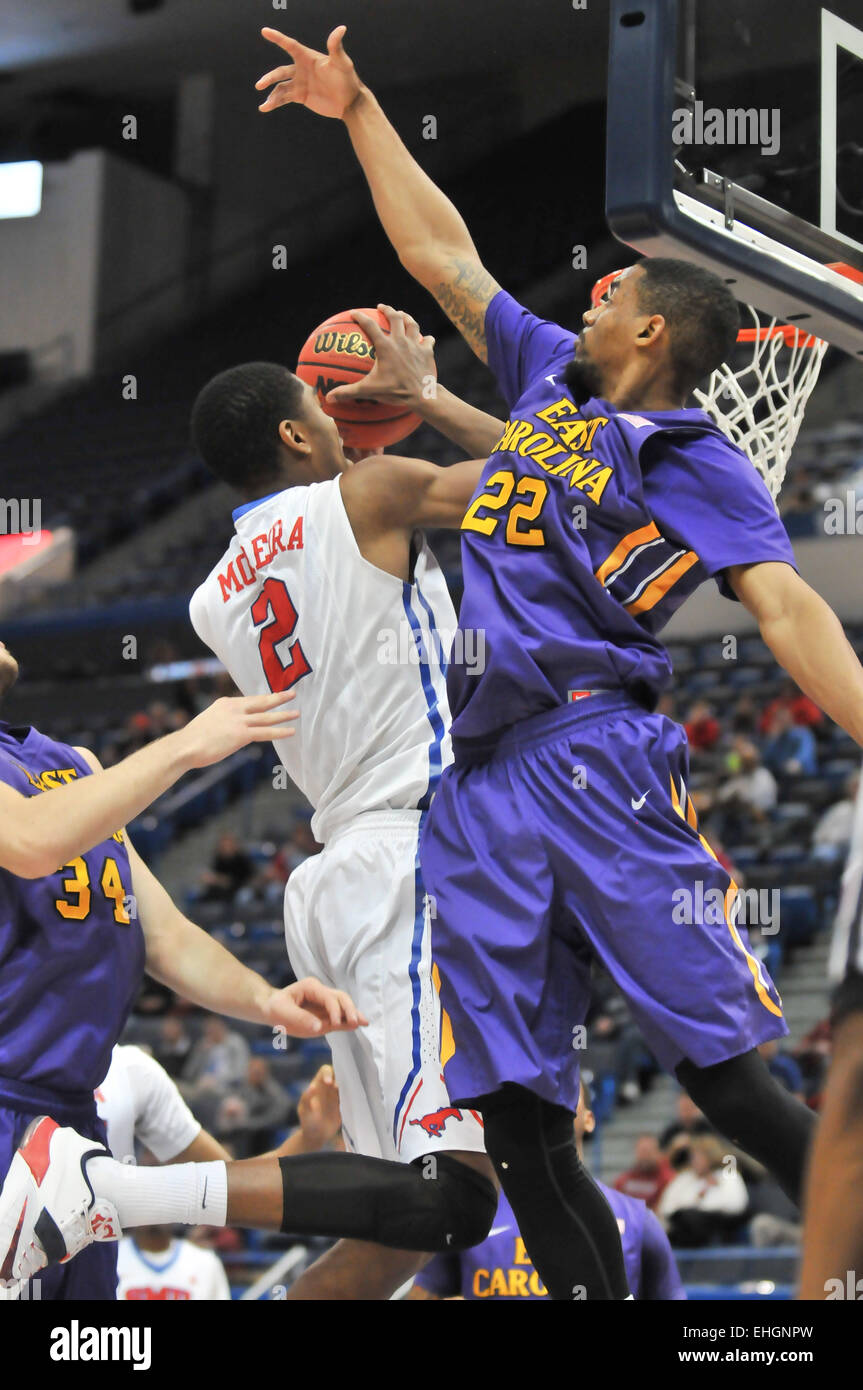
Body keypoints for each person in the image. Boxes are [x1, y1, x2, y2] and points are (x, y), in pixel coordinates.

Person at [248, 25, 863, 1299]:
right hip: (475, 786)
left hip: (594, 754)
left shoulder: (694, 458)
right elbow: (440, 258)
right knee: (517, 1129)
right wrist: (357, 106)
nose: (588, 292)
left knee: (724, 1079)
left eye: (610, 293)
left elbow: (788, 610)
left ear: (649, 333)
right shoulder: (544, 389)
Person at [0, 332, 505, 1296]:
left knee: (401, 1216)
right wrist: (428, 395)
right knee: (448, 1196)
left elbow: (166, 931)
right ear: (297, 433)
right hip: (411, 855)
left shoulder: (210, 598)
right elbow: (556, 484)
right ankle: (111, 1193)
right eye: (328, 419)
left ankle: (106, 1192)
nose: (345, 433)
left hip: (339, 875)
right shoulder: (375, 490)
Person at [0, 644, 362, 1299]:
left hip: (71, 1119)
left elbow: (162, 933)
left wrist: (266, 999)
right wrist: (185, 746)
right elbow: (29, 843)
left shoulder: (73, 764)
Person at [410, 1084, 685, 1300]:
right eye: (536, 1090)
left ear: (589, 1119)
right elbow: (424, 1294)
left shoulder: (636, 1218)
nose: (548, 1095)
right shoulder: (471, 1209)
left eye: (565, 1086)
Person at [614, 1135, 674, 1212]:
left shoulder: (667, 1179)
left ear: (658, 1153)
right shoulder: (625, 1179)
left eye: (648, 1152)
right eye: (641, 1151)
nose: (644, 1156)